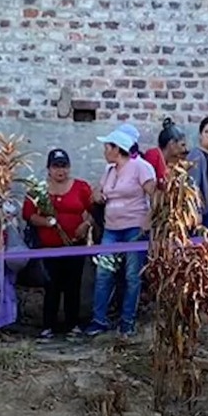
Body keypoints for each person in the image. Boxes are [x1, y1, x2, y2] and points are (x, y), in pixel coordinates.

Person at [85, 128, 156, 337]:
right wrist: (98, 195)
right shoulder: (109, 170)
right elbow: (97, 191)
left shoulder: (142, 168)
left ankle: (127, 322)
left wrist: (148, 221)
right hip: (111, 228)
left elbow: (156, 196)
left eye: (107, 147)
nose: (104, 151)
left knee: (132, 276)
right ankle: (99, 320)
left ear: (118, 149)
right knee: (103, 273)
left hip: (134, 227)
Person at [23, 148, 93, 339]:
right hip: (49, 247)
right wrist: (47, 223)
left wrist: (85, 225)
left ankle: (73, 324)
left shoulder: (81, 187)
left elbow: (92, 212)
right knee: (51, 285)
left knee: (73, 285)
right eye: (56, 166)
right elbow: (28, 214)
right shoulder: (39, 189)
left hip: (74, 245)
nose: (60, 171)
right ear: (48, 169)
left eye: (64, 166)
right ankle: (48, 326)